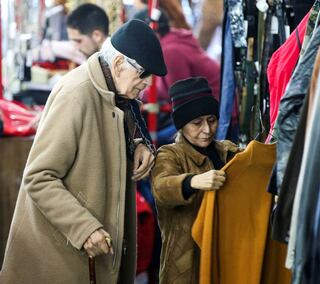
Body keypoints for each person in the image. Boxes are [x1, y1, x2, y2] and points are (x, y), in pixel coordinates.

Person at [0, 19, 167, 284]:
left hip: (90, 256)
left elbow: (106, 138)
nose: (146, 83)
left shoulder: (114, 92)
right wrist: (85, 229)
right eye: (143, 75)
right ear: (119, 64)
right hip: (62, 256)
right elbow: (39, 176)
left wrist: (137, 145)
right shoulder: (76, 95)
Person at [150, 77, 240, 283]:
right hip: (186, 267)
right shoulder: (168, 155)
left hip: (225, 258)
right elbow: (161, 188)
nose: (207, 129)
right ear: (181, 125)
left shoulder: (228, 151)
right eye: (196, 123)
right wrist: (192, 182)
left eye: (212, 120)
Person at [135, 8, 221, 144]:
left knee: (156, 139)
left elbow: (179, 95)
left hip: (213, 113)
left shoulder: (171, 51)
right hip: (205, 107)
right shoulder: (173, 39)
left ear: (154, 32)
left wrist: (140, 94)